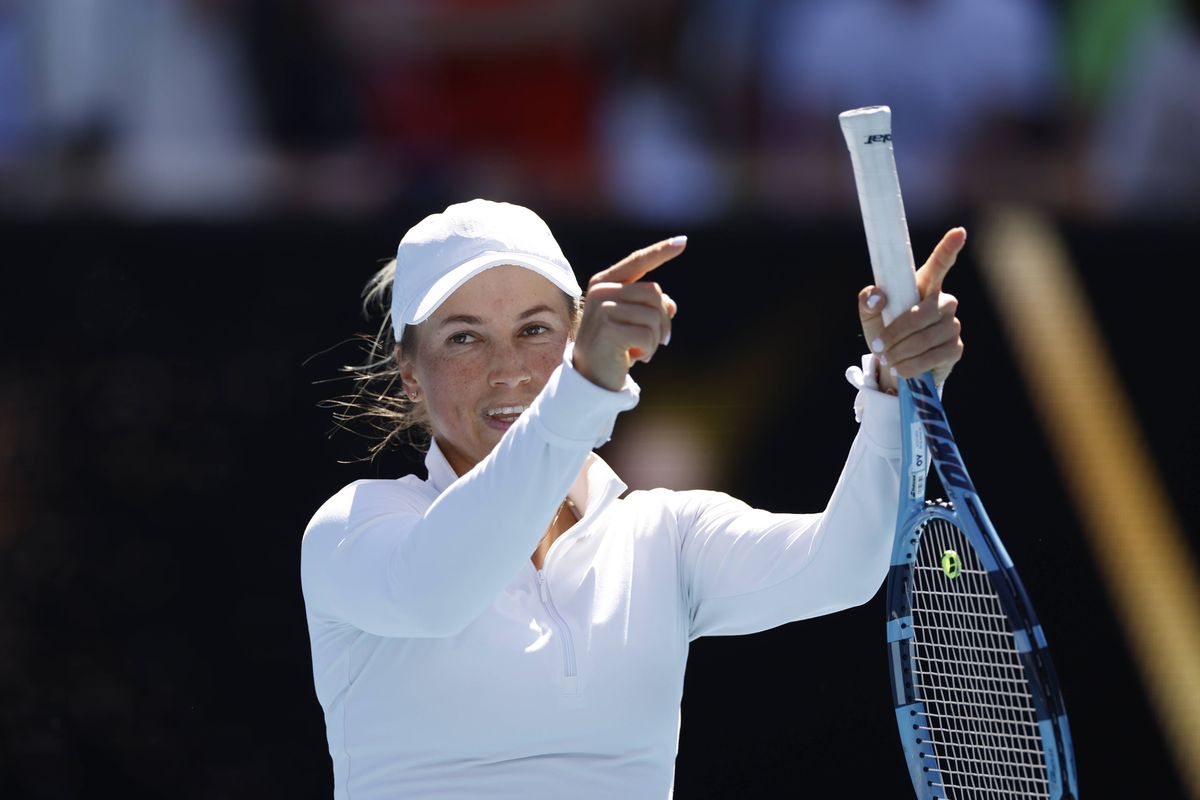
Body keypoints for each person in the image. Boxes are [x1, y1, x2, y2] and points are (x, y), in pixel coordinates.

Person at [300, 199, 965, 799]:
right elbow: (440, 588)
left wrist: (896, 397)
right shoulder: (352, 531)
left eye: (535, 330)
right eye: (464, 338)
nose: (509, 370)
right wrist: (582, 390)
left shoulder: (663, 534)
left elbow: (845, 564)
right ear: (410, 374)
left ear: (575, 339)